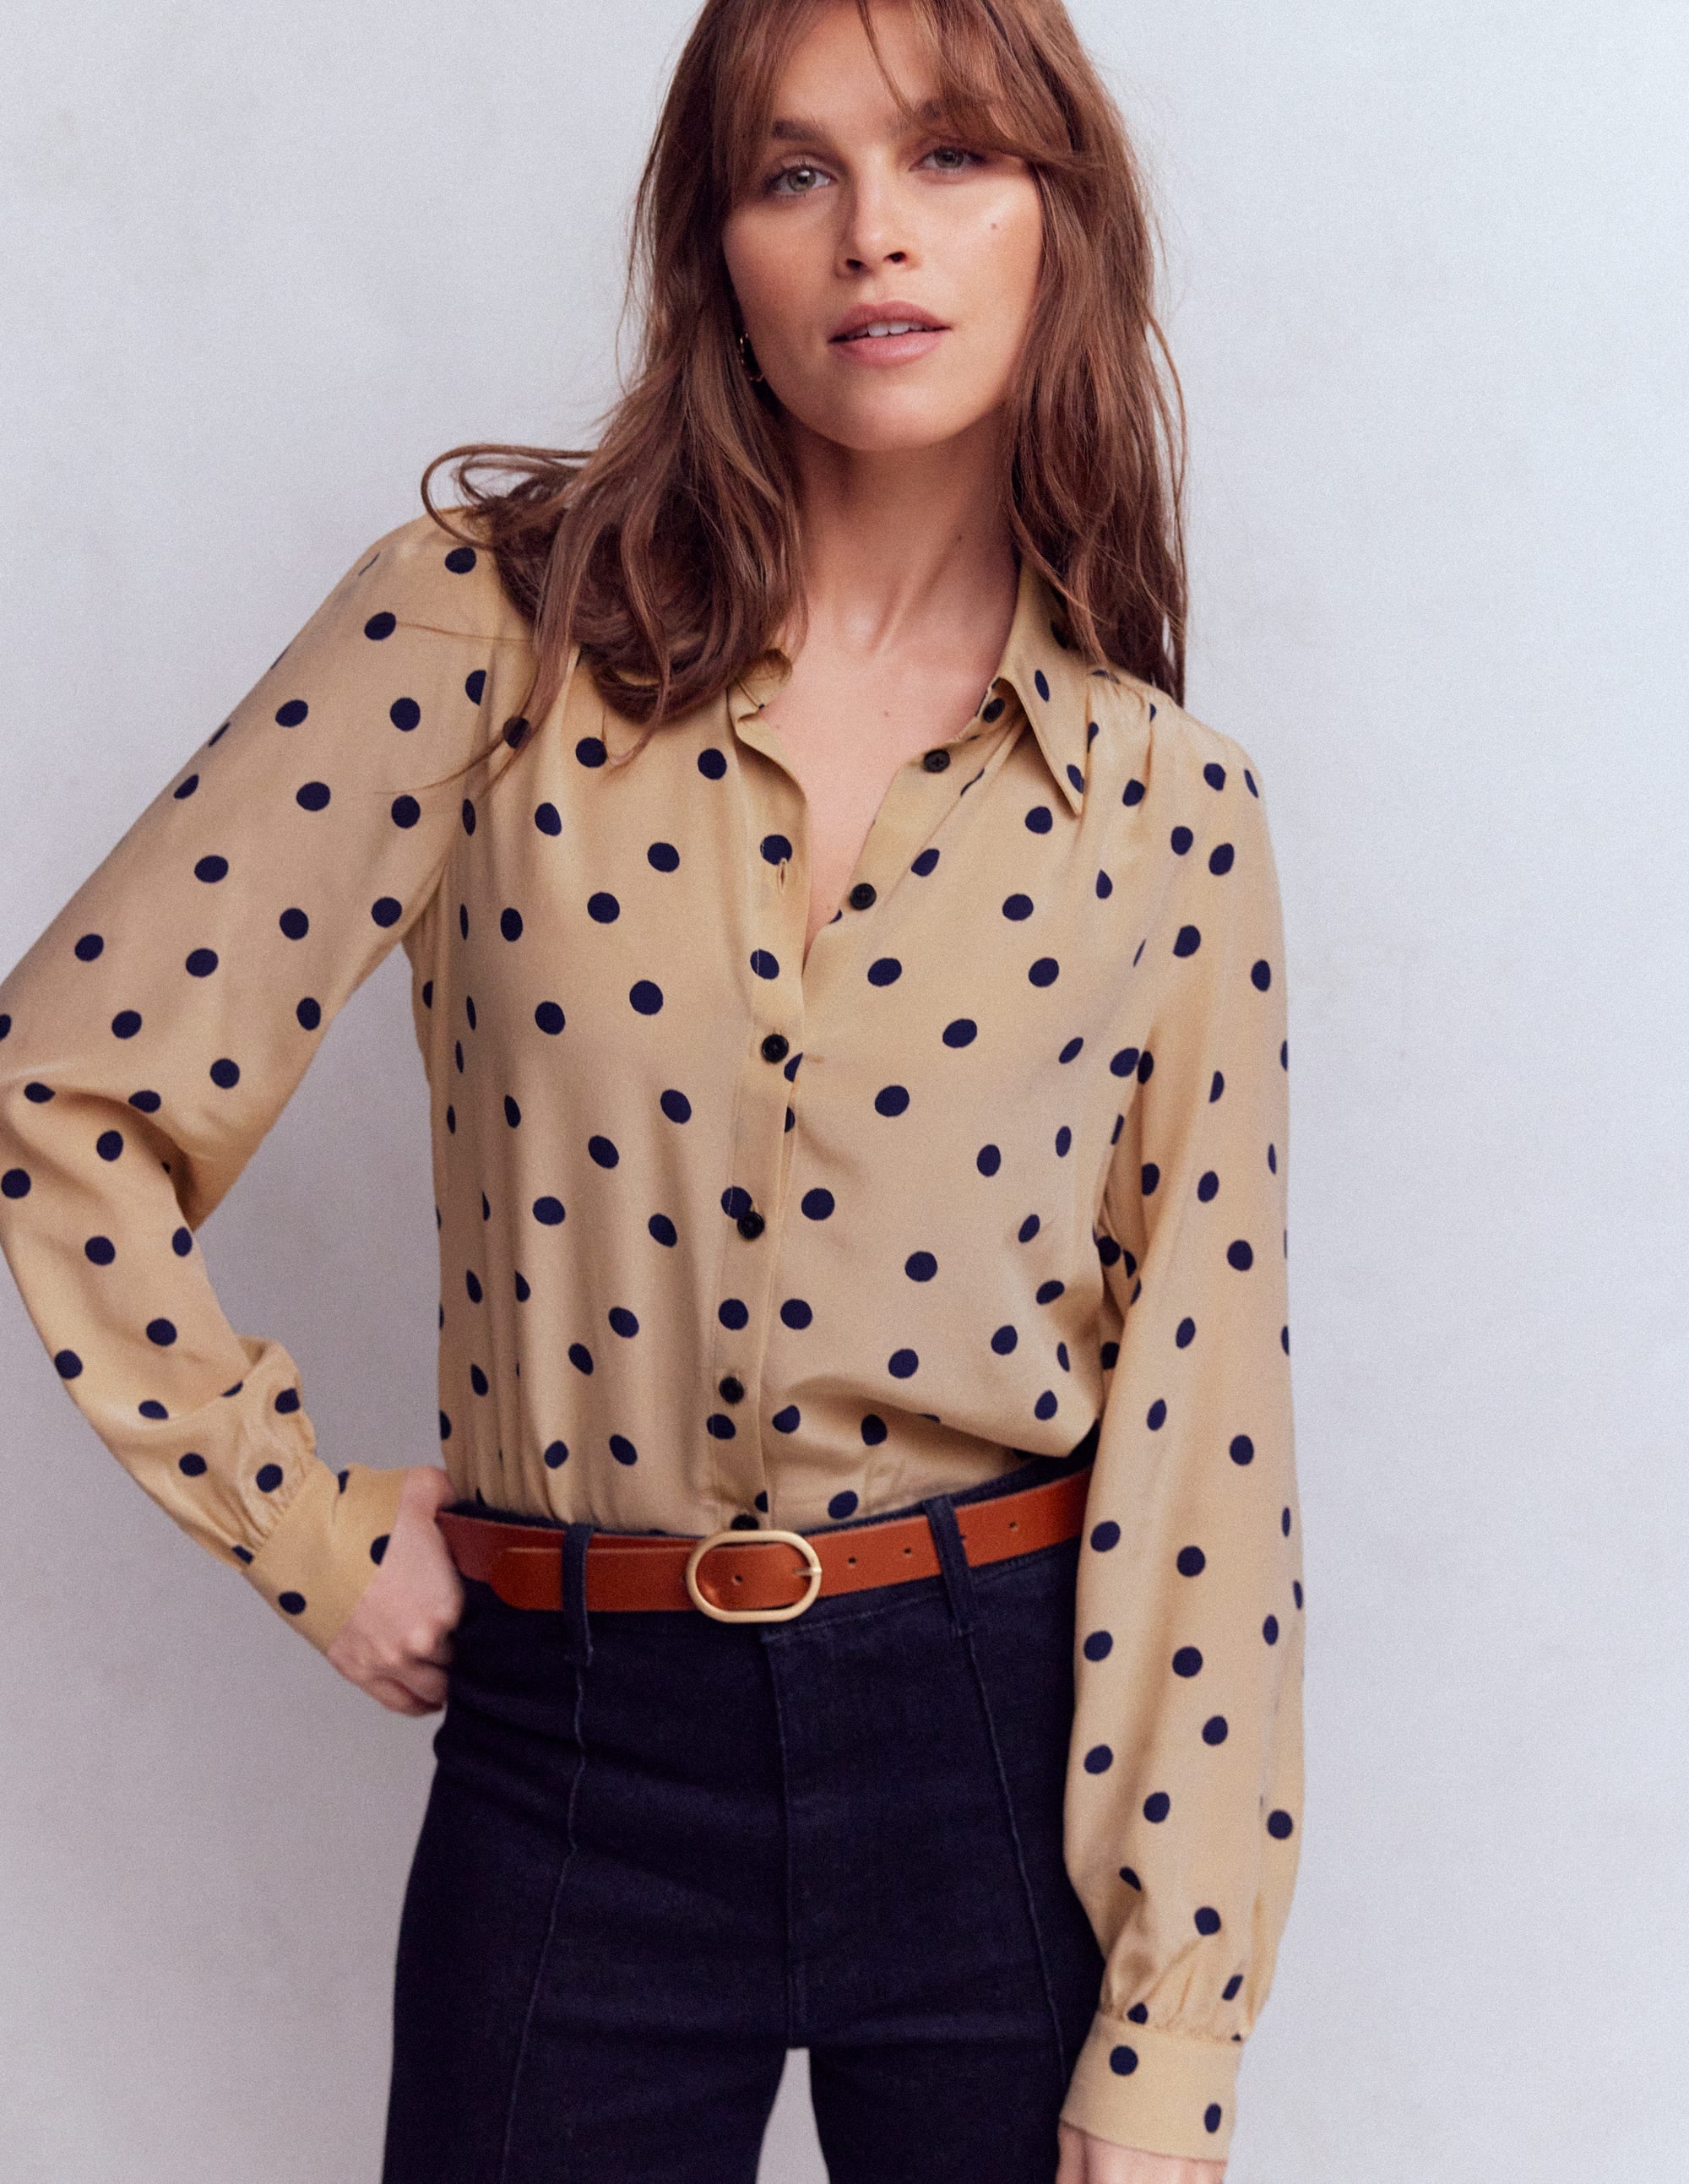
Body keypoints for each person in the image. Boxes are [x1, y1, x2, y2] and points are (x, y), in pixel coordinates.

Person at [0, 1, 1305, 2178]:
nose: (875, 231)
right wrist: (307, 1532)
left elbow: (1210, 1432)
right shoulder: (489, 635)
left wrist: (1175, 2043)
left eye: (956, 158)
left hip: (1003, 1750)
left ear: (1069, 221)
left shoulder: (1164, 810)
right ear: (721, 255)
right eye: (796, 172)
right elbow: (61, 1086)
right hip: (581, 1752)